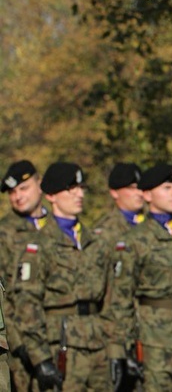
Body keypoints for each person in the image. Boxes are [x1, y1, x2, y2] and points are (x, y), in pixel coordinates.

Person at [12, 162, 114, 391]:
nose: (79, 194)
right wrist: (40, 359)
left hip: (98, 349)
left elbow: (110, 302)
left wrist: (116, 350)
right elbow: (26, 306)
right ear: (51, 195)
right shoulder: (38, 245)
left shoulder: (96, 243)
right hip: (60, 349)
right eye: (70, 188)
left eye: (81, 187)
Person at [108, 163, 172, 392]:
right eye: (166, 188)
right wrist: (123, 347)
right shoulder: (136, 239)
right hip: (155, 338)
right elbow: (122, 297)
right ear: (147, 194)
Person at [0, 160, 48, 390]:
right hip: (21, 346)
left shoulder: (61, 227)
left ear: (40, 184)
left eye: (24, 188)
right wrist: (18, 344)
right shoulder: (5, 235)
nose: (18, 196)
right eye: (12, 192)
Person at [92, 162, 145, 245]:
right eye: (132, 188)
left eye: (141, 187)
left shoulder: (156, 221)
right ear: (114, 193)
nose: (140, 193)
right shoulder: (106, 229)